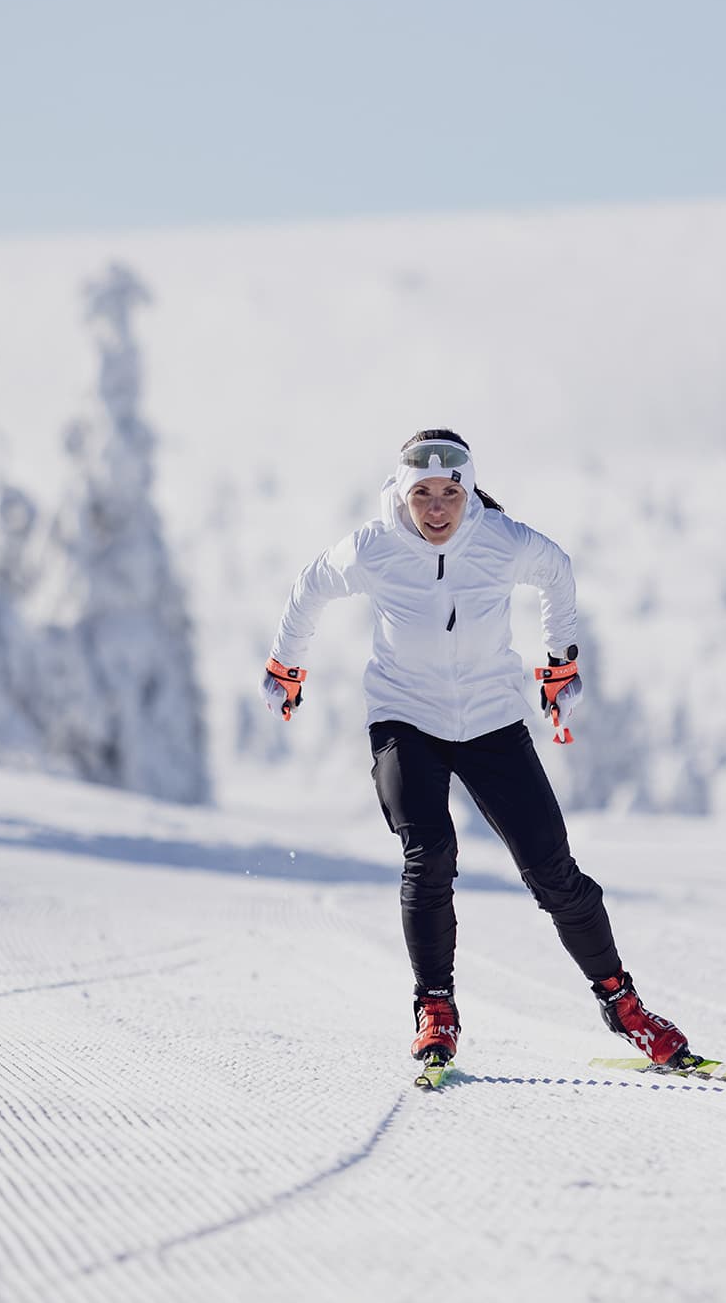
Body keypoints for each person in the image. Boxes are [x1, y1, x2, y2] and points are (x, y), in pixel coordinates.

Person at [262, 429, 693, 1071]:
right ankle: (435, 1007)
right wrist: (286, 663)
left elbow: (557, 571)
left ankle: (623, 1004)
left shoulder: (501, 539)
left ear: (468, 491)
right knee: (429, 851)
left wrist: (560, 662)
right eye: (423, 495)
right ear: (402, 495)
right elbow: (311, 586)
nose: (437, 510)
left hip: (491, 720)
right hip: (405, 719)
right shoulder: (373, 548)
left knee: (554, 874)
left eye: (450, 494)